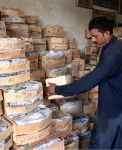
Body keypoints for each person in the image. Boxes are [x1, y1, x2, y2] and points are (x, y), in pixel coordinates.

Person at [47, 16, 122, 149]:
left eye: (95, 36)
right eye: (91, 36)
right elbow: (100, 73)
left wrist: (58, 90)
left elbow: (90, 81)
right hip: (114, 101)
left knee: (101, 143)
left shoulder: (113, 53)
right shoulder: (113, 45)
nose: (92, 40)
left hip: (113, 109)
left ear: (107, 33)